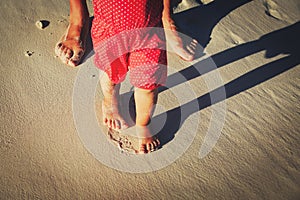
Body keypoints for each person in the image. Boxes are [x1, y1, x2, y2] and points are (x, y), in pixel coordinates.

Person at [55, 0, 196, 154]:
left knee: (148, 85)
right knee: (110, 73)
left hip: (150, 32)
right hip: (109, 29)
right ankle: (110, 100)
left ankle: (144, 124)